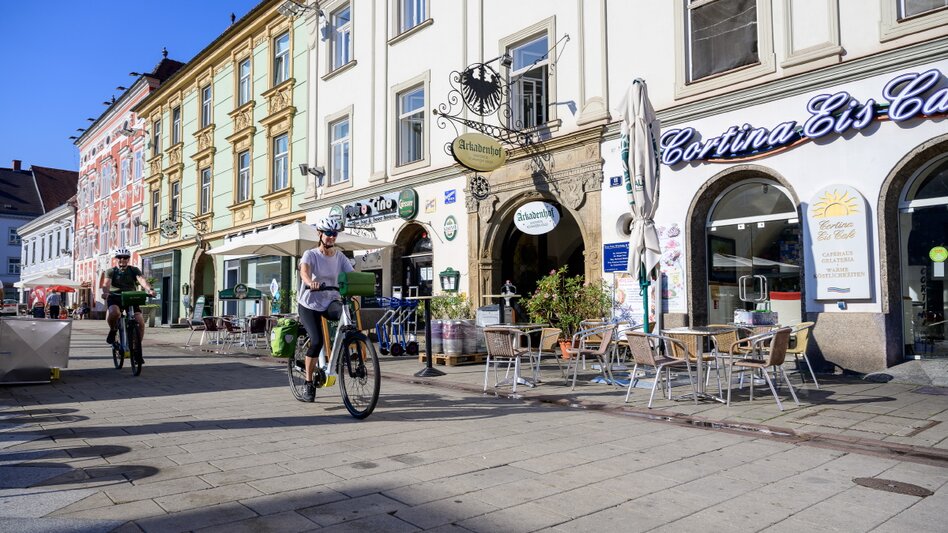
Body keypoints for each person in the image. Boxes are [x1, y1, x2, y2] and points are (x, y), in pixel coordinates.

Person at [297, 217, 353, 402]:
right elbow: (304, 271)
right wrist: (309, 282)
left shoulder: (340, 257)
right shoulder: (310, 254)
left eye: (334, 234)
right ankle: (308, 384)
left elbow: (352, 275)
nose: (331, 237)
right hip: (309, 303)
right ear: (320, 234)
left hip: (330, 300)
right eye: (328, 233)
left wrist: (363, 285)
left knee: (346, 317)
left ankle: (340, 353)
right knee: (317, 340)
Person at [99, 248, 155, 352]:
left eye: (125, 257)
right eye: (120, 257)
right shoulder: (111, 271)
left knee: (140, 322)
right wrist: (106, 292)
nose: (122, 259)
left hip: (130, 297)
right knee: (114, 313)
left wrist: (149, 289)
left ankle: (137, 347)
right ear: (117, 259)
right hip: (115, 297)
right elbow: (106, 284)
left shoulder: (134, 270)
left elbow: (142, 280)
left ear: (128, 259)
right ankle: (113, 329)